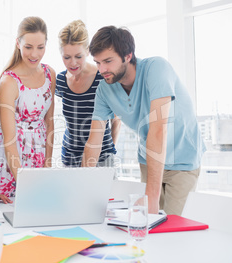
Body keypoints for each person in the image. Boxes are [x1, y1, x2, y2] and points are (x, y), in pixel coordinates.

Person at [82, 26, 206, 215]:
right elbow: (94, 141)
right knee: (148, 227)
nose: (102, 70)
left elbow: (158, 129)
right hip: (149, 161)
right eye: (97, 63)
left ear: (128, 55)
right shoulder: (104, 89)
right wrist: (81, 187)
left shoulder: (156, 68)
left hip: (183, 161)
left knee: (172, 226)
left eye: (108, 61)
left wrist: (151, 197)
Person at [0, 16, 56, 203]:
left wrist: (48, 164)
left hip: (39, 150)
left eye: (40, 47)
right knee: (10, 211)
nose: (35, 54)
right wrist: (24, 183)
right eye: (28, 47)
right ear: (18, 43)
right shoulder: (9, 81)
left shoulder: (50, 74)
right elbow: (9, 141)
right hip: (11, 156)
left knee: (39, 209)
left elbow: (49, 122)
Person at [56, 20, 120, 168]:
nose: (73, 63)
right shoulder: (60, 80)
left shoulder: (103, 79)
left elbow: (116, 120)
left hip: (102, 157)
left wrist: (109, 151)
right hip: (70, 158)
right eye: (67, 57)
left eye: (78, 56)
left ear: (87, 51)